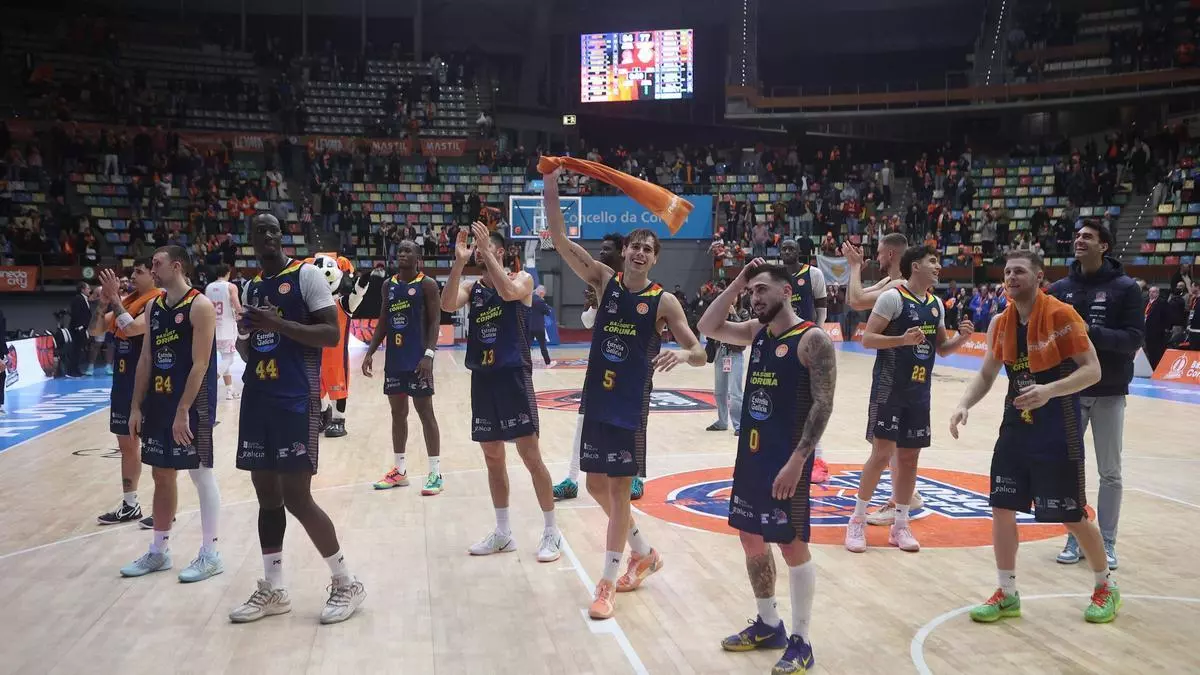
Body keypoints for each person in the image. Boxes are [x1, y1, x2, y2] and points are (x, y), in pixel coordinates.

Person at [542, 168, 707, 620]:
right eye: (635, 245)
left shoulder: (663, 301)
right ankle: (645, 553)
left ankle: (607, 583)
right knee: (595, 485)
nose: (639, 252)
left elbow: (700, 351)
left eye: (647, 249)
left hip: (629, 407)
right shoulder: (604, 280)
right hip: (597, 398)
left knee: (618, 493)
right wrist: (551, 183)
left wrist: (683, 353)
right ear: (626, 252)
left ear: (654, 259)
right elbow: (560, 239)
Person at [950, 251, 1120, 624]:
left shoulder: (1062, 315)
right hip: (1016, 426)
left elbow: (1092, 371)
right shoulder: (1000, 322)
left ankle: (1105, 586)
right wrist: (964, 403)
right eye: (1007, 271)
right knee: (1002, 507)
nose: (1011, 277)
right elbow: (987, 373)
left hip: (1058, 427)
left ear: (1039, 277)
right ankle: (1007, 592)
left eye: (1019, 271)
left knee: (1072, 514)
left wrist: (1049, 390)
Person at [698, 259, 836, 675]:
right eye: (752, 291)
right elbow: (707, 326)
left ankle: (802, 640)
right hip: (752, 457)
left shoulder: (812, 339)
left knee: (791, 545)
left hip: (787, 461)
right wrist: (738, 281)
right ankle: (769, 623)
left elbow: (823, 404)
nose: (754, 298)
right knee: (750, 537)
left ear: (787, 292)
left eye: (762, 290)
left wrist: (799, 460)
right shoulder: (756, 333)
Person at [229, 214, 366, 625]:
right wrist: (245, 334)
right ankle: (274, 588)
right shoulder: (252, 287)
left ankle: (346, 582)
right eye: (260, 231)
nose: (268, 236)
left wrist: (277, 322)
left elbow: (331, 335)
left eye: (274, 229)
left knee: (297, 497)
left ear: (283, 236)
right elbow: (251, 350)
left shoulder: (306, 276)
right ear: (252, 241)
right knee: (266, 496)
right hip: (258, 397)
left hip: (295, 398)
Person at [439, 222, 562, 563]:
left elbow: (508, 293)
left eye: (486, 247)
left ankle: (552, 530)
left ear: (501, 252)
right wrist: (459, 262)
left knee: (530, 456)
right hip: (483, 378)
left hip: (513, 377)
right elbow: (447, 305)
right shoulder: (472, 288)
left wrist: (488, 255)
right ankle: (504, 532)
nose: (480, 252)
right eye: (478, 249)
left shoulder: (523, 280)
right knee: (492, 456)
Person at [846, 245, 973, 554]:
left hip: (919, 391)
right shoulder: (892, 298)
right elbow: (867, 339)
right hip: (889, 388)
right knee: (881, 455)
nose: (938, 266)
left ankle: (900, 525)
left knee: (909, 458)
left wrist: (962, 338)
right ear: (915, 266)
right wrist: (901, 340)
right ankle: (857, 520)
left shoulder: (936, 304)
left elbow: (942, 349)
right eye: (933, 261)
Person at [118, 245, 223, 583]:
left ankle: (211, 554)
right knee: (161, 475)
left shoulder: (200, 305)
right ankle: (159, 551)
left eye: (157, 263)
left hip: (192, 404)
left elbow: (201, 364)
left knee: (200, 474)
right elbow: (146, 359)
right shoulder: (153, 306)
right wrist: (135, 406)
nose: (152, 268)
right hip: (159, 402)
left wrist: (183, 410)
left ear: (176, 266)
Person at [1046, 220, 1143, 569]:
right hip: (1070, 391)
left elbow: (1134, 338)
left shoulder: (1126, 288)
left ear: (1104, 246)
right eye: (1077, 236)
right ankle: (1077, 536)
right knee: (1069, 467)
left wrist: (1089, 333)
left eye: (1088, 236)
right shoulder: (1060, 288)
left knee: (1110, 472)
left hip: (1110, 391)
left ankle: (1109, 542)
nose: (1079, 240)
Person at [841, 233, 931, 522]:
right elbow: (853, 300)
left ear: (891, 254)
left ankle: (903, 499)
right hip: (898, 375)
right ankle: (907, 496)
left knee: (888, 446)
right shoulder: (888, 284)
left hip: (897, 378)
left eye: (880, 252)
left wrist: (855, 267)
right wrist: (854, 270)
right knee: (891, 446)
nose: (876, 257)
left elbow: (857, 300)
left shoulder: (897, 286)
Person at [553, 233, 643, 500]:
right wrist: (594, 303)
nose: (601, 253)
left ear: (622, 252)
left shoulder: (636, 284)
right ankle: (571, 479)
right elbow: (587, 322)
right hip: (602, 363)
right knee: (583, 419)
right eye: (600, 249)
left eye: (607, 249)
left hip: (630, 366)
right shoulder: (597, 280)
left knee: (633, 424)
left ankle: (637, 476)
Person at [364, 240, 444, 496]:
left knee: (425, 412)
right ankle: (399, 471)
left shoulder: (427, 284)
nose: (402, 254)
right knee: (397, 413)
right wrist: (370, 351)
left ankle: (435, 472)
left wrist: (429, 354)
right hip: (395, 361)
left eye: (408, 250)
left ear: (418, 257)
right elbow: (383, 320)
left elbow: (435, 321)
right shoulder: (388, 285)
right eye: (400, 250)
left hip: (418, 360)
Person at [92, 261, 160, 527]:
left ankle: (165, 507)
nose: (132, 276)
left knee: (157, 447)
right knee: (127, 447)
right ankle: (130, 505)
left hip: (148, 384)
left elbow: (131, 328)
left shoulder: (158, 301)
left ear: (153, 275)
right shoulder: (129, 300)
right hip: (122, 384)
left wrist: (115, 300)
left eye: (139, 272)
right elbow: (95, 330)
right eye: (132, 271)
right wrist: (103, 303)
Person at [779, 238, 830, 482]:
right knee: (785, 402)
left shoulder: (814, 274)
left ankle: (818, 459)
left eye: (792, 248)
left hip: (808, 342)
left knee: (814, 402)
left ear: (800, 251)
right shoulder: (777, 276)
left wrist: (816, 334)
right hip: (783, 343)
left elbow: (821, 308)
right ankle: (786, 454)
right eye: (784, 248)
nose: (788, 251)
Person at [204, 264, 243, 400]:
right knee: (229, 359)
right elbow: (237, 306)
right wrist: (243, 316)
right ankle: (208, 382)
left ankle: (230, 390)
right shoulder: (231, 287)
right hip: (227, 327)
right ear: (228, 272)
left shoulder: (208, 287)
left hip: (212, 328)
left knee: (225, 360)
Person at [707, 302, 748, 435]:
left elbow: (744, 331)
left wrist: (734, 315)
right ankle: (722, 421)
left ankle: (739, 425)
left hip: (735, 353)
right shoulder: (719, 311)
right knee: (719, 391)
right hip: (720, 352)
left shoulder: (743, 312)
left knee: (735, 392)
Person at [529, 286, 554, 366]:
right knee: (543, 346)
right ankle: (548, 363)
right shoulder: (540, 301)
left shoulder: (529, 299)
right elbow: (547, 312)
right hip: (539, 327)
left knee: (527, 346)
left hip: (529, 326)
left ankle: (524, 362)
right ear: (541, 293)